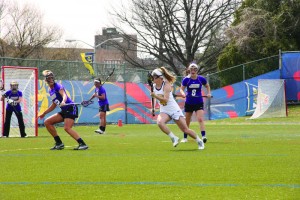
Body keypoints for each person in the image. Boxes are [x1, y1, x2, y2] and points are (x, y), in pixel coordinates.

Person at [150, 67, 204, 150]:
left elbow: (165, 100)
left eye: (154, 77)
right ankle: (174, 138)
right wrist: (153, 107)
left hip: (174, 110)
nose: (153, 78)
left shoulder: (166, 85)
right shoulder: (153, 86)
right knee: (160, 122)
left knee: (185, 130)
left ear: (160, 78)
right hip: (164, 110)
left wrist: (155, 95)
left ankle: (199, 141)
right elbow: (153, 99)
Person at [38, 70, 88, 150]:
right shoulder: (50, 90)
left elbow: (64, 95)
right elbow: (54, 104)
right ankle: (59, 143)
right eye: (49, 78)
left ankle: (82, 144)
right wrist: (44, 113)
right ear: (46, 80)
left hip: (71, 108)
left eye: (51, 78)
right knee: (47, 122)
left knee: (67, 128)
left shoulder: (58, 86)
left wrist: (63, 101)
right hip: (64, 110)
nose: (51, 80)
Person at [179, 62, 211, 143]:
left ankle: (203, 136)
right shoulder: (186, 79)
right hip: (189, 102)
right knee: (187, 121)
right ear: (189, 70)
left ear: (197, 70)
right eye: (191, 69)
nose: (193, 71)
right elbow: (181, 89)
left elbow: (207, 86)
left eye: (195, 69)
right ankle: (185, 138)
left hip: (198, 102)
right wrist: (183, 94)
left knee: (200, 119)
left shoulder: (201, 79)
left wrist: (209, 93)